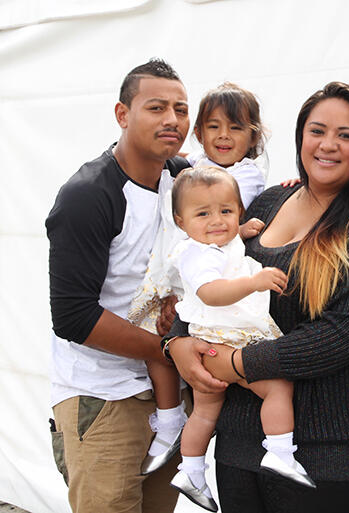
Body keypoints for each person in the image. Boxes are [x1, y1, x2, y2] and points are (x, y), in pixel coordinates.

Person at [164, 82, 349, 513]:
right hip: (239, 434)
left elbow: (343, 335)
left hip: (327, 445)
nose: (328, 145)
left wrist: (240, 363)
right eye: (317, 130)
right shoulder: (268, 201)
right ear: (301, 136)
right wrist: (180, 342)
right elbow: (208, 266)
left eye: (346, 135)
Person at [46, 58, 191, 513]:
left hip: (169, 398)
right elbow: (73, 316)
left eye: (181, 108)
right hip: (102, 397)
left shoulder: (182, 178)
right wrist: (168, 349)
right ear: (122, 114)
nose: (172, 119)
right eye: (156, 107)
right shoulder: (89, 195)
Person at [127, 82, 270, 478]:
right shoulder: (188, 166)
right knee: (156, 337)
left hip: (212, 269)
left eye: (236, 128)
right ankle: (170, 415)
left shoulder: (248, 176)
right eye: (214, 127)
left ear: (253, 135)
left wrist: (237, 227)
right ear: (200, 133)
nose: (224, 137)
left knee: (193, 348)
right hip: (178, 262)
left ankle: (181, 434)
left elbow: (231, 217)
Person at [169, 166, 317, 512]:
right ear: (180, 222)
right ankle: (281, 452)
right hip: (224, 339)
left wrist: (242, 231)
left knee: (205, 413)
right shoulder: (197, 254)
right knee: (277, 387)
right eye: (202, 214)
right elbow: (211, 292)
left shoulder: (218, 240)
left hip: (208, 342)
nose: (216, 221)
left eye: (226, 211)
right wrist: (254, 282)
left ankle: (190, 471)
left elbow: (229, 240)